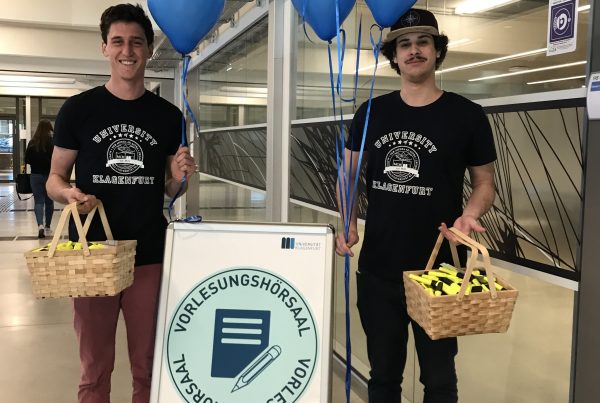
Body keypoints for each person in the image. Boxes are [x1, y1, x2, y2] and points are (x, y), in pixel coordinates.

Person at [335, 8, 496, 403]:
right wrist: (348, 222)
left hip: (440, 271)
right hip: (379, 268)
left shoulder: (467, 115)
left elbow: (484, 183)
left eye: (423, 42)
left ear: (437, 51)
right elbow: (347, 175)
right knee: (383, 377)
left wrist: (469, 214)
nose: (414, 50)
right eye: (404, 45)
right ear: (394, 56)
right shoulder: (373, 112)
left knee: (439, 381)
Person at [46, 4, 196, 403]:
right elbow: (54, 179)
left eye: (136, 42)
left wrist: (179, 178)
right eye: (117, 42)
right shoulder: (78, 110)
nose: (127, 51)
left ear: (148, 49)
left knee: (149, 366)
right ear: (104, 48)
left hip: (148, 255)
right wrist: (69, 194)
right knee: (94, 369)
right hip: (92, 255)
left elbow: (171, 190)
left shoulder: (168, 116)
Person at [25, 119, 55, 238]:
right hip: (50, 176)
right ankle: (48, 226)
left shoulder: (32, 142)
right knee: (49, 201)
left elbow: (27, 160)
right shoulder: (52, 142)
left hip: (35, 176)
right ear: (49, 129)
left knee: (38, 202)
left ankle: (40, 226)